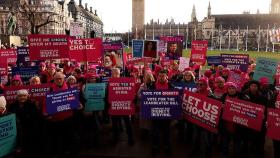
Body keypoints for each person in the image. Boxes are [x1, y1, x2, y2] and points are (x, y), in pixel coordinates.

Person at [8, 90, 42, 158]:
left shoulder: (32, 105)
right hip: (17, 131)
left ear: (27, 96)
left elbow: (36, 118)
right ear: (17, 97)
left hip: (29, 131)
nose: (22, 97)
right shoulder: (12, 106)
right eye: (20, 96)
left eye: (24, 96)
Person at [151, 70, 174, 155]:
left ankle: (167, 146)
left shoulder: (170, 85)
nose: (161, 77)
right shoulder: (153, 85)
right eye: (159, 76)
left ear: (166, 77)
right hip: (155, 112)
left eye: (163, 76)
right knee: (155, 131)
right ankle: (155, 146)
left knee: (166, 131)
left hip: (166, 113)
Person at [110, 68, 134, 146]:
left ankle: (130, 139)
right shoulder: (109, 83)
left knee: (127, 123)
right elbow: (108, 95)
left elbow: (129, 92)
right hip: (114, 106)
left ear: (119, 74)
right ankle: (115, 139)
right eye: (114, 73)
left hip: (124, 106)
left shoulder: (124, 81)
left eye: (117, 73)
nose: (116, 75)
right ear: (112, 74)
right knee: (115, 125)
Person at [220, 82, 243, 158]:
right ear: (227, 89)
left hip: (238, 126)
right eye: (229, 88)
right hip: (226, 125)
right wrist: (221, 107)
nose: (231, 90)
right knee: (225, 143)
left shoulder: (242, 97)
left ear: (236, 89)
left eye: (233, 88)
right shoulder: (223, 97)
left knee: (237, 144)